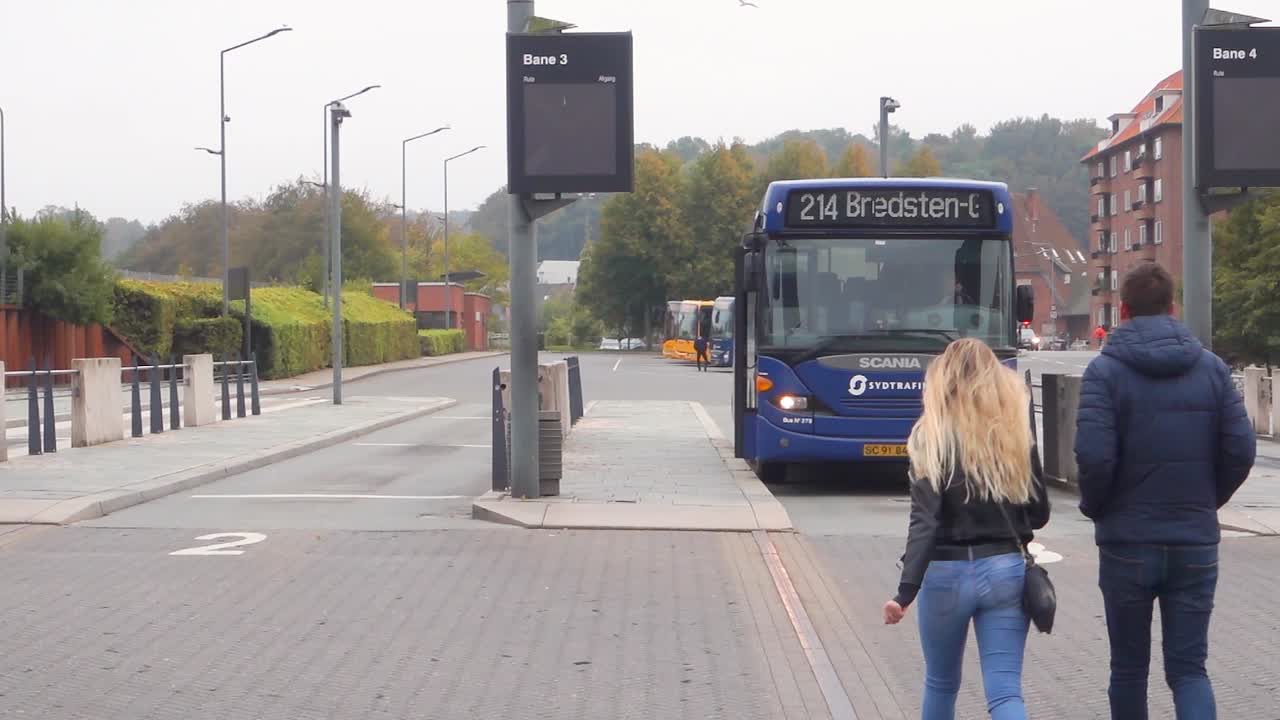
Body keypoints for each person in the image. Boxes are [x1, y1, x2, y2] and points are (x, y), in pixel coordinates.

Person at [1075, 262, 1255, 720]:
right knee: (1190, 669)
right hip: (1194, 541)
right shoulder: (1211, 370)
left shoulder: (1105, 373)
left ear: (1123, 309)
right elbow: (1241, 448)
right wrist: (1207, 500)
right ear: (1172, 308)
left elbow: (1094, 458)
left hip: (1126, 542)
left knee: (1129, 670)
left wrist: (1098, 509)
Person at [883, 338, 1049, 720]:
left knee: (941, 684)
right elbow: (1038, 513)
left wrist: (904, 593)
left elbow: (925, 523)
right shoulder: (1014, 433)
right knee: (1005, 692)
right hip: (1005, 569)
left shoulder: (931, 436)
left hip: (945, 573)